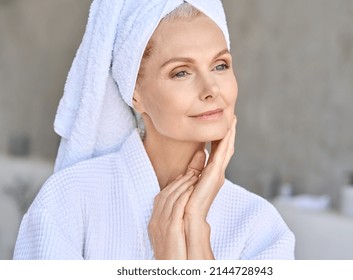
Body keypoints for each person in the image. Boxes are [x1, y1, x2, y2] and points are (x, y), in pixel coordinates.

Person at [13, 0, 295, 260]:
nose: (211, 90)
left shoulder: (260, 227)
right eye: (181, 72)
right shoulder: (68, 200)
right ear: (134, 92)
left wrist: (193, 229)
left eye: (220, 65)